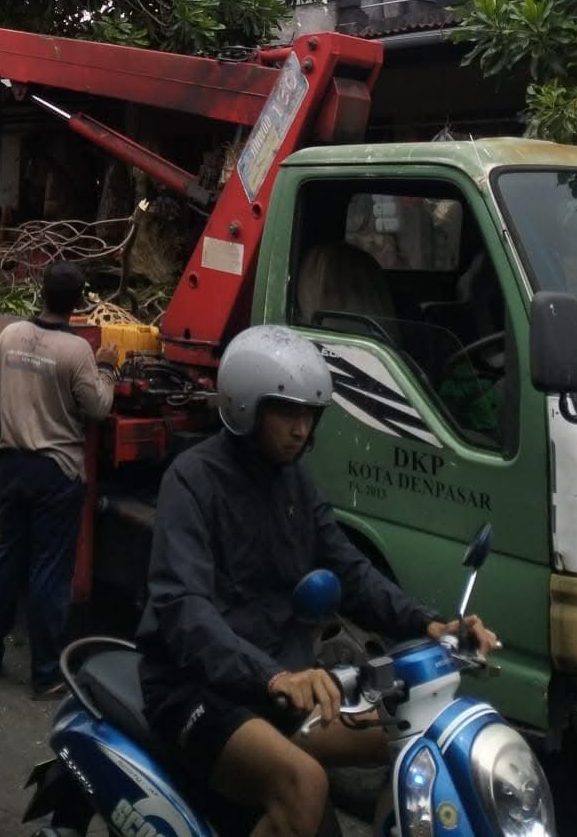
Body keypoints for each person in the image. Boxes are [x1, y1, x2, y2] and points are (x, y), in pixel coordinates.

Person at [137, 325, 497, 837]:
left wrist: (432, 624)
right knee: (304, 783)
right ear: (246, 407)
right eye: (287, 412)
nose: (300, 429)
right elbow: (184, 608)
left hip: (280, 683)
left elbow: (350, 569)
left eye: (309, 415)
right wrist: (274, 677)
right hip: (195, 688)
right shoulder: (192, 480)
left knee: (416, 736)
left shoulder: (294, 481)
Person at [0, 260, 119, 698]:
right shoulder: (76, 352)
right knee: (49, 574)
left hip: (11, 465)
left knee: (4, 563)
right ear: (78, 303)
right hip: (56, 473)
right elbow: (98, 408)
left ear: (41, 293)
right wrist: (108, 368)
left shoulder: (10, 335)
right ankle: (45, 675)